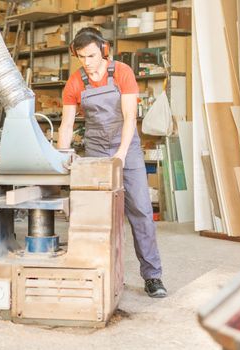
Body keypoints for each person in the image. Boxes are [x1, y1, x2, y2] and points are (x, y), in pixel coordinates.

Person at [58, 27, 167, 298]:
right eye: (82, 57)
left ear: (104, 50)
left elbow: (130, 118)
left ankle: (152, 276)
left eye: (92, 56)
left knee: (140, 210)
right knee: (99, 214)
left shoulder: (122, 73)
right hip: (95, 147)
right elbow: (67, 123)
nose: (88, 62)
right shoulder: (75, 82)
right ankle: (98, 273)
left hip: (126, 147)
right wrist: (62, 156)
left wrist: (119, 154)